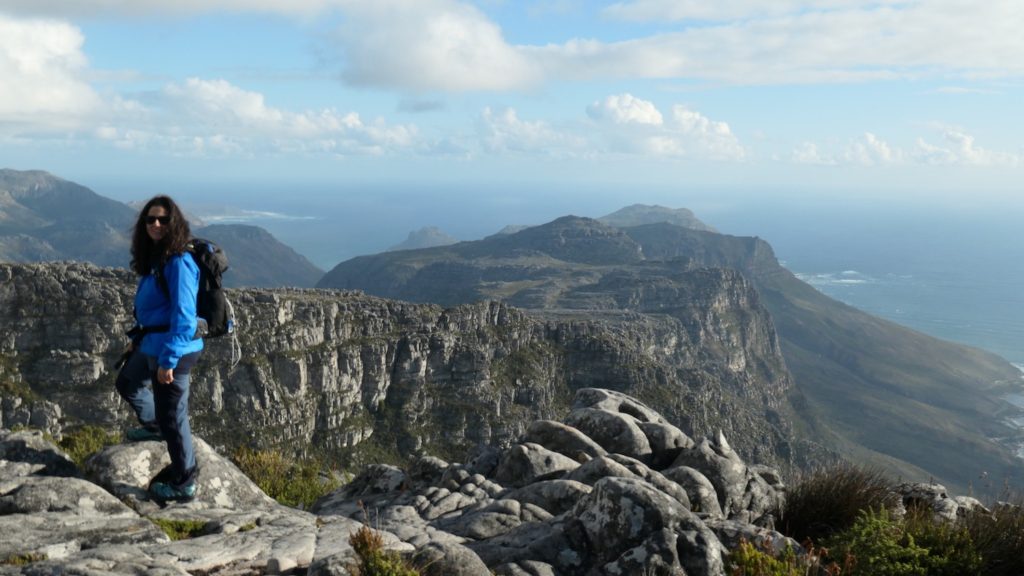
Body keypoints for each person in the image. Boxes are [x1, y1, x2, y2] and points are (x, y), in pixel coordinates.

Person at [115, 195, 203, 503]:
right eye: (150, 219)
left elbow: (184, 317)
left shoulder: (179, 262)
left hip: (173, 349)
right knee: (127, 381)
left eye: (163, 220)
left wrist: (169, 360)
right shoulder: (157, 257)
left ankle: (185, 481)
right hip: (152, 341)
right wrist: (138, 339)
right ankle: (155, 427)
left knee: (173, 414)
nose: (156, 224)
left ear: (174, 223)